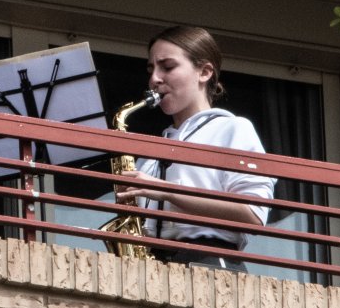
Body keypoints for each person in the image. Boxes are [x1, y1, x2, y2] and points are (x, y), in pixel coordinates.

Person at [116, 25, 276, 271]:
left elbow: (253, 215)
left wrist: (165, 191)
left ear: (204, 72)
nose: (154, 79)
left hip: (212, 266)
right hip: (154, 270)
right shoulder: (150, 155)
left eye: (168, 67)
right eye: (151, 69)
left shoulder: (233, 128)